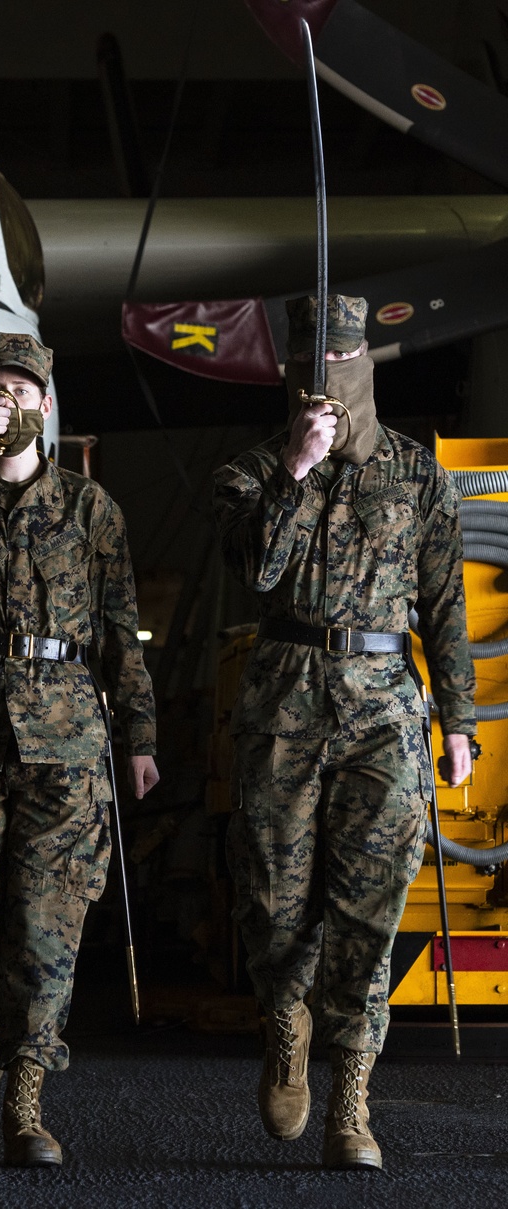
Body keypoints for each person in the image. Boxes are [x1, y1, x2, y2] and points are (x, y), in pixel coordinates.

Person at [213, 295, 475, 1170]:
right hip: (283, 705)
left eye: (340, 362)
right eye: (307, 367)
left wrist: (460, 721)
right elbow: (256, 570)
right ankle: (286, 1019)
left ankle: (352, 1101)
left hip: (386, 712)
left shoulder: (416, 473)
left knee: (372, 908)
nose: (324, 382)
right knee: (274, 903)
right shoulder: (250, 472)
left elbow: (445, 603)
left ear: (365, 363)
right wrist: (297, 468)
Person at [0, 332, 158, 1167]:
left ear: (45, 403)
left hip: (68, 737)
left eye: (20, 389)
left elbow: (121, 632)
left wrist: (140, 737)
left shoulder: (90, 508)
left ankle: (27, 1099)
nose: (7, 401)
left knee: (48, 925)